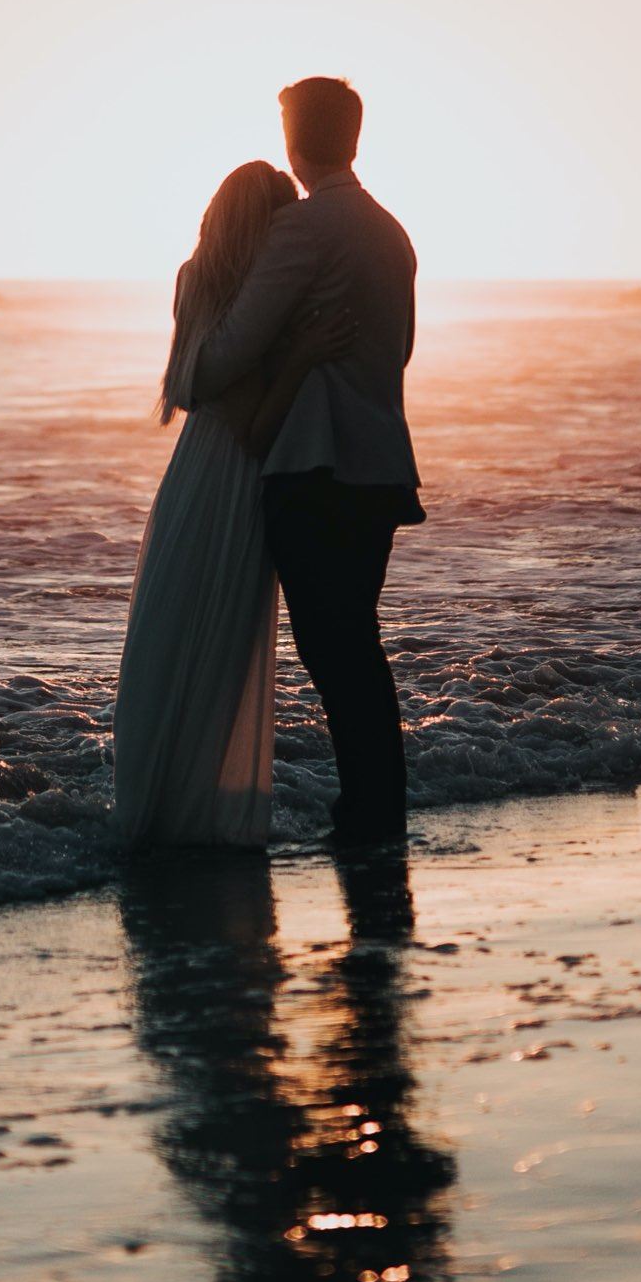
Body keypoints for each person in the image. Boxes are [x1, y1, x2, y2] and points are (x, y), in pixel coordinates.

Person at [192, 77, 423, 846]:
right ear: (353, 138)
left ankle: (367, 818)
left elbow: (230, 353)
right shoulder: (392, 233)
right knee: (356, 645)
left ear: (294, 139)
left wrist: (202, 359)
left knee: (336, 653)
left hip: (315, 471)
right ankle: (374, 810)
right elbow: (405, 351)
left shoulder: (306, 229)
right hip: (382, 467)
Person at [111, 160, 354, 847]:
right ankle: (189, 814)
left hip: (194, 473)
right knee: (217, 645)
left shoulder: (199, 280)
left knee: (170, 638)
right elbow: (252, 421)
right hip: (238, 478)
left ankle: (155, 806)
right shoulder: (256, 303)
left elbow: (196, 394)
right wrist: (303, 354)